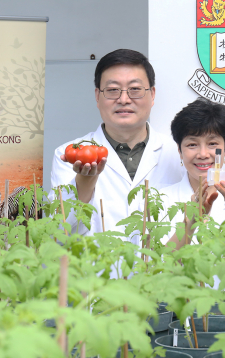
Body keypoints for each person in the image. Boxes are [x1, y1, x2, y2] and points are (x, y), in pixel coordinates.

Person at [50, 49, 183, 236]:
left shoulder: (178, 154)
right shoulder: (68, 154)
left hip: (160, 265)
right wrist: (84, 182)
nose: (124, 99)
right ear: (97, 96)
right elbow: (58, 229)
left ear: (152, 95)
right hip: (95, 265)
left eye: (135, 89)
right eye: (112, 90)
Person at [149, 97, 225, 250]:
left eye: (212, 144)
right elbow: (155, 267)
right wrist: (191, 221)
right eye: (192, 144)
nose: (203, 154)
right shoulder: (158, 203)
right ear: (180, 151)